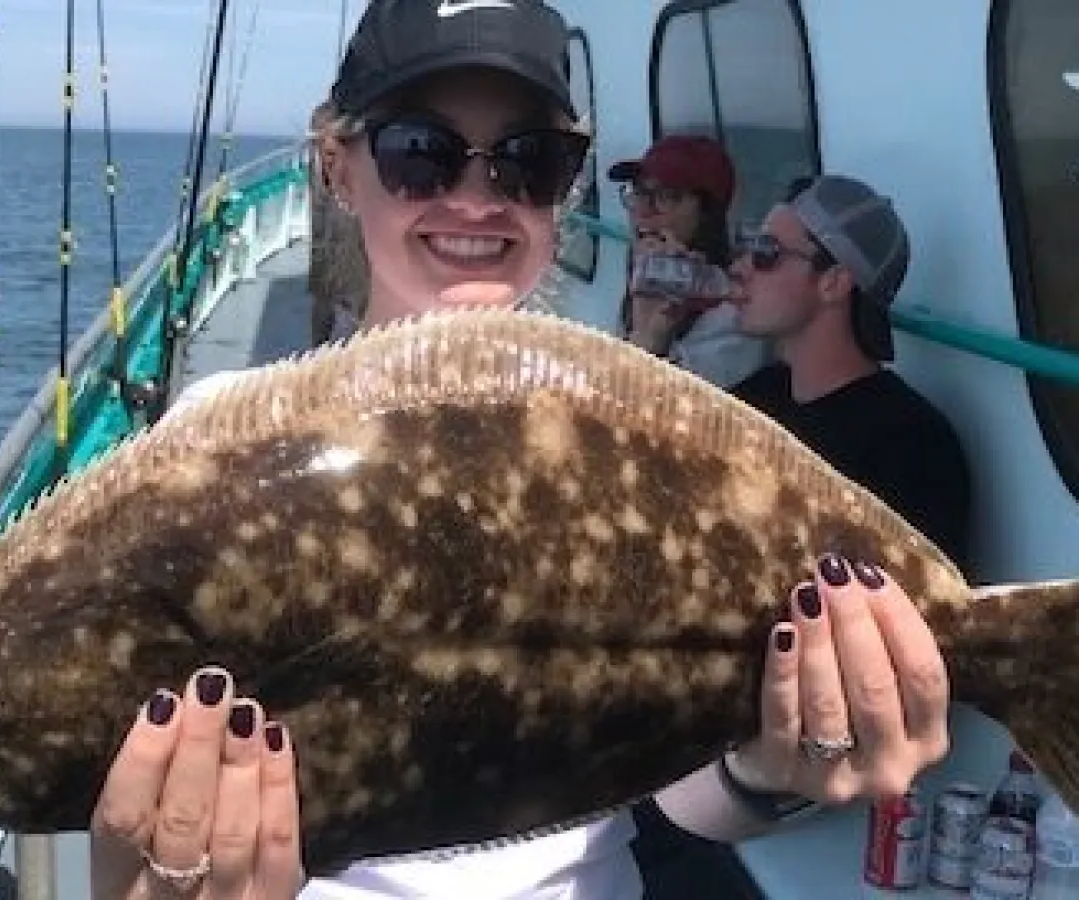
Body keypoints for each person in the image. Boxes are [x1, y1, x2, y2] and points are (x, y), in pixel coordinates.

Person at [89, 3, 952, 898]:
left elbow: (658, 790)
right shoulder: (218, 442)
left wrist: (768, 769)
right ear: (339, 167)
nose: (476, 199)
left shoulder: (635, 440)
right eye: (420, 152)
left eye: (528, 160)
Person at [729, 175, 972, 569]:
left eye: (766, 253)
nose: (740, 268)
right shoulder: (756, 397)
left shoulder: (913, 446)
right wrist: (651, 329)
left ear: (834, 283)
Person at [611, 135, 769, 389]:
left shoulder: (735, 314)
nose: (643, 210)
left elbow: (670, 401)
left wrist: (650, 338)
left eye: (665, 196)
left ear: (707, 214)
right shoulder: (648, 283)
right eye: (639, 193)